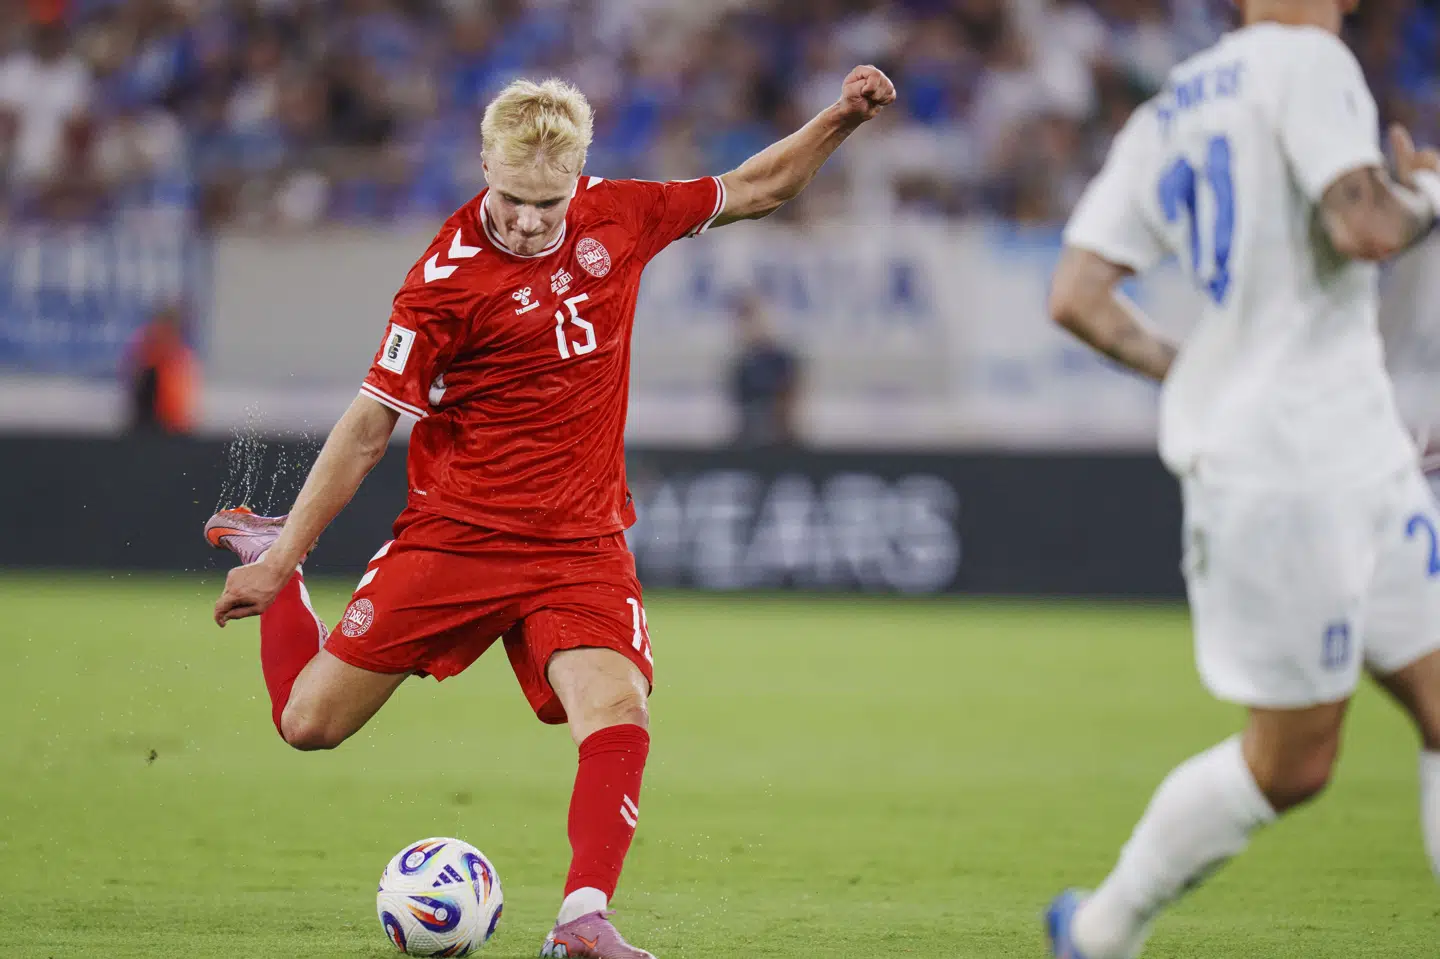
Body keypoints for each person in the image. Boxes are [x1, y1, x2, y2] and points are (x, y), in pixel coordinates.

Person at [204, 68, 895, 959]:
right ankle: (281, 567)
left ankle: (581, 918)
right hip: (459, 534)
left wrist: (839, 116)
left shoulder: (624, 213)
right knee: (309, 725)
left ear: (581, 177)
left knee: (619, 708)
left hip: (581, 540)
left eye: (548, 202)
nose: (529, 219)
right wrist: (285, 552)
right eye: (512, 198)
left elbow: (757, 187)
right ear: (484, 164)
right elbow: (371, 426)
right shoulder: (442, 282)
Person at [1043, 2, 1440, 957]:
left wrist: (1214, 379)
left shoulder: (1168, 106)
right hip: (1293, 470)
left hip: (1351, 449)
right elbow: (1366, 225)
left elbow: (1078, 297)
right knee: (1294, 760)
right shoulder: (1312, 63)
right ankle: (1098, 932)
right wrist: (1428, 194)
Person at [730, 294, 801, 448]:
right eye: (742, 319)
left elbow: (788, 405)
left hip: (781, 444)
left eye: (751, 317)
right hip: (749, 443)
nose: (746, 326)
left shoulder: (782, 361)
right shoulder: (742, 366)